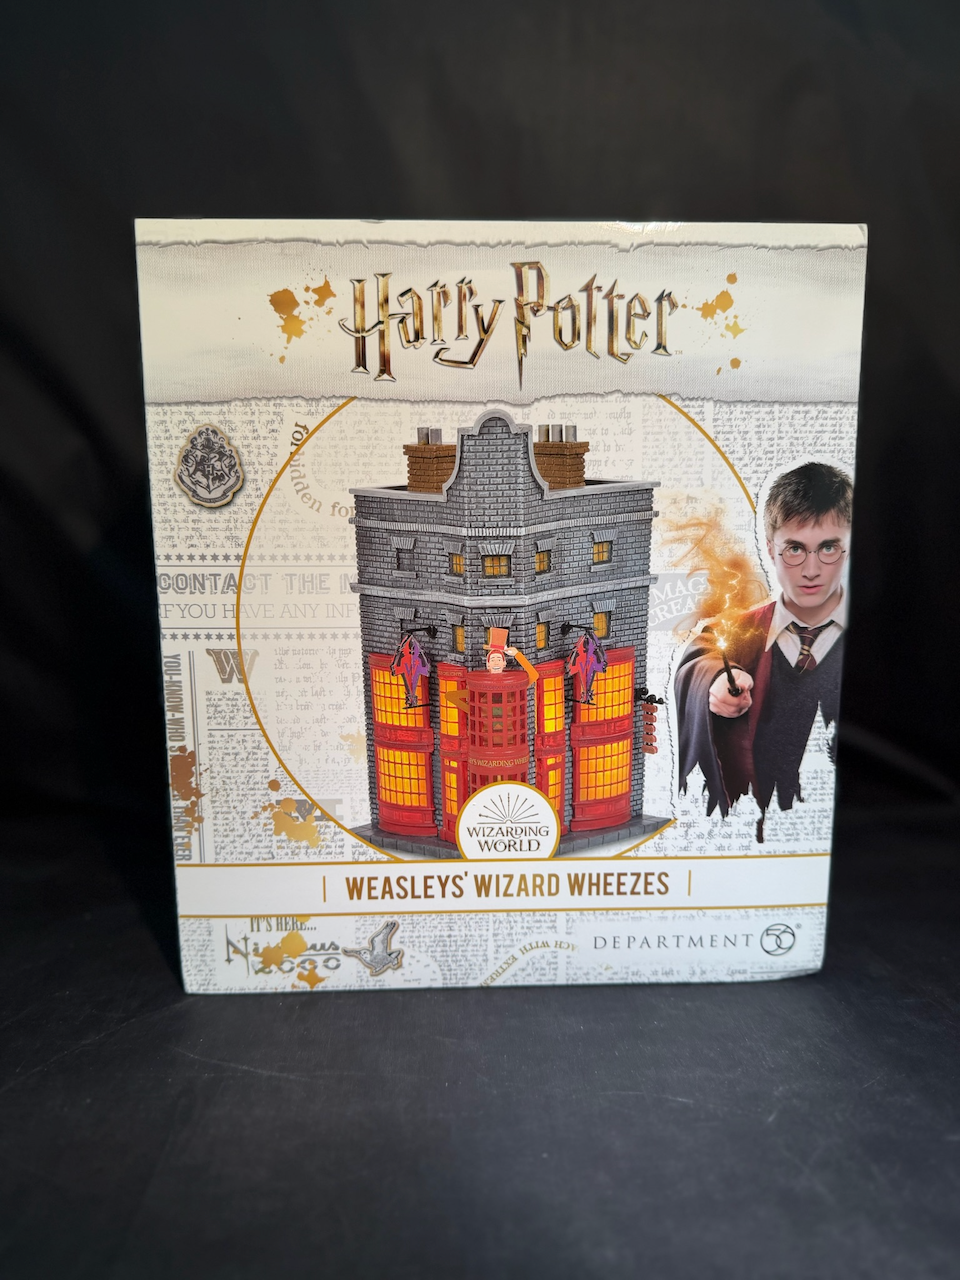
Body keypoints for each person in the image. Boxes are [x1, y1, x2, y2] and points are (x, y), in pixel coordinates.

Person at [674, 461, 852, 840]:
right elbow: (702, 655)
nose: (811, 569)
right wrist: (715, 681)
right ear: (770, 549)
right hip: (756, 834)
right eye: (795, 549)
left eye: (828, 547)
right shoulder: (742, 631)